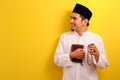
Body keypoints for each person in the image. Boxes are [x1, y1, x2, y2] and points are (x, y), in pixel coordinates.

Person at [54, 3, 109, 80]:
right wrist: (71, 55)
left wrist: (97, 55)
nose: (71, 21)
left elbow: (104, 65)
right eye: (71, 18)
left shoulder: (96, 38)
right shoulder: (64, 37)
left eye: (74, 18)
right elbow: (57, 60)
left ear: (85, 22)